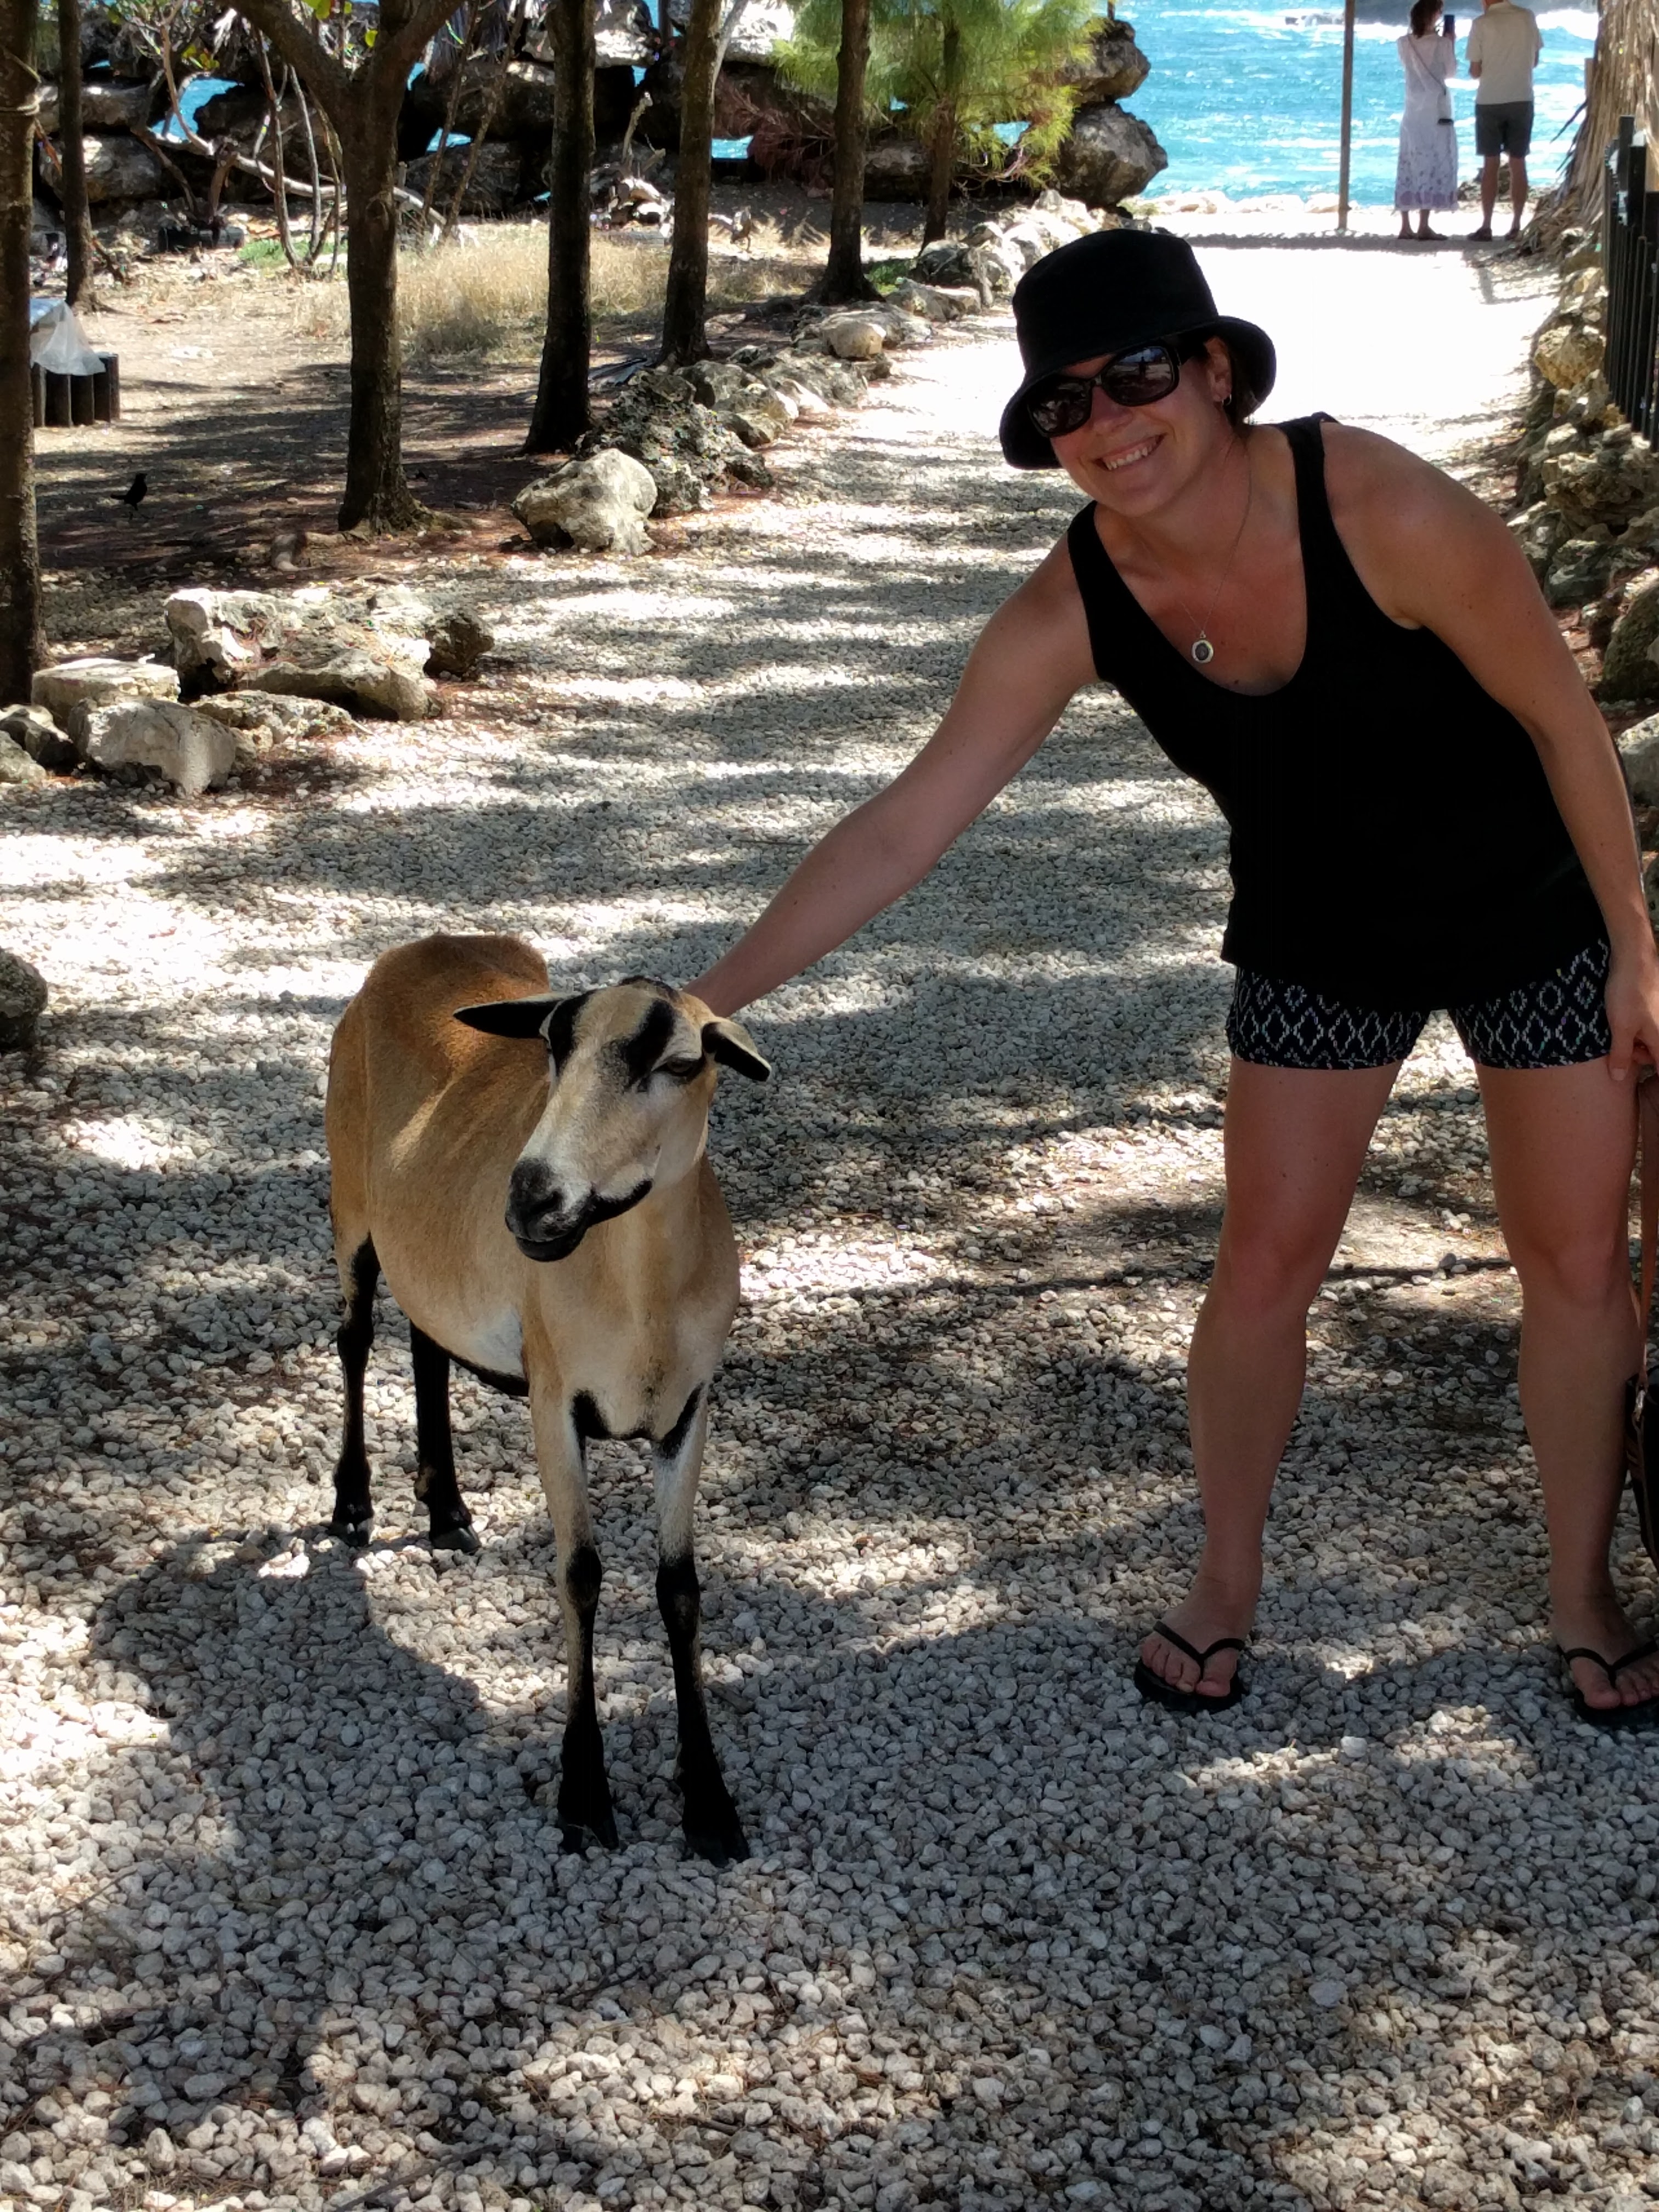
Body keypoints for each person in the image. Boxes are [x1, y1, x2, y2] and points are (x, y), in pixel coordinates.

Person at [688, 229, 1659, 1728]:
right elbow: (904, 824)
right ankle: (1225, 1579)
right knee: (1264, 1265)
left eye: (1137, 374)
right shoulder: (1077, 600)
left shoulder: (1382, 507)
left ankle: (1583, 1593)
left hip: (1529, 913)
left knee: (1577, 1264)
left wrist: (1637, 948)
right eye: (1066, 402)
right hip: (1320, 935)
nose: (1109, 422)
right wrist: (706, 1002)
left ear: (1214, 374)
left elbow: (1563, 722)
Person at [1465, 0, 1542, 241]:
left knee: (1491, 164)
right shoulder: (1527, 17)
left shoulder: (1481, 24)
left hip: (1490, 100)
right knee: (1518, 162)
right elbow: (1535, 61)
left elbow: (1475, 71)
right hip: (1522, 97)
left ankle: (1487, 225)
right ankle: (1516, 224)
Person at [1395, 0, 1458, 241]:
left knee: (1408, 163)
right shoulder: (1443, 44)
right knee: (1431, 164)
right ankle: (1424, 225)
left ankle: (1405, 226)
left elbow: (1408, 68)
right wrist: (1451, 43)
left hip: (1411, 110)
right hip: (1436, 112)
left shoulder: (1404, 43)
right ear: (1434, 15)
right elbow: (1450, 72)